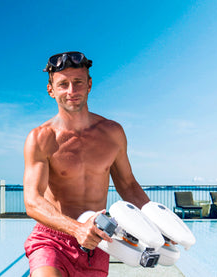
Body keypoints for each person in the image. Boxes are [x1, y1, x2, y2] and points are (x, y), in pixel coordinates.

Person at [23, 51, 150, 277]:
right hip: (52, 238)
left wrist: (156, 226)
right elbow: (33, 201)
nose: (71, 91)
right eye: (63, 84)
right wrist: (77, 229)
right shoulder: (41, 138)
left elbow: (128, 186)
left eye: (78, 82)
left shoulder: (112, 133)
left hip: (97, 242)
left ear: (89, 85)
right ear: (51, 90)